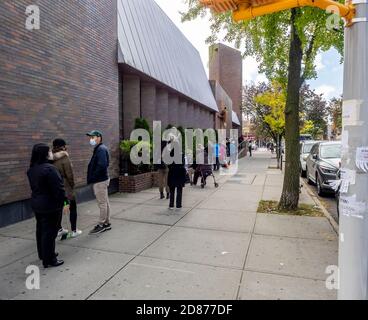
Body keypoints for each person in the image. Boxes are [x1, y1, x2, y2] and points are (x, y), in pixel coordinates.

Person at [27, 144, 65, 268]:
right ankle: (50, 259)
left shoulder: (32, 169)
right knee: (50, 232)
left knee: (41, 230)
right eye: (49, 151)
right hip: (50, 206)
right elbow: (58, 189)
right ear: (44, 154)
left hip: (37, 204)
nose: (51, 153)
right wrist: (63, 203)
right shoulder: (50, 169)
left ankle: (44, 254)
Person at [52, 139, 82, 238]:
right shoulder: (64, 157)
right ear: (63, 146)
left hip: (55, 188)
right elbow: (69, 174)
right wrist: (72, 185)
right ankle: (74, 230)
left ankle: (59, 229)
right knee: (72, 207)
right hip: (66, 187)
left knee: (59, 208)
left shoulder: (50, 158)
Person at [86, 130, 111, 235]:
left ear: (99, 137)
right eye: (90, 137)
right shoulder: (100, 148)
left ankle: (101, 225)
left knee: (102, 203)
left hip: (100, 180)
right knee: (105, 202)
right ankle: (106, 223)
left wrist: (94, 176)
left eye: (93, 137)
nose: (91, 139)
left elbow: (102, 165)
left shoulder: (100, 149)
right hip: (101, 179)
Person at [167, 141, 186, 210]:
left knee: (172, 190)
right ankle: (178, 206)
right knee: (179, 190)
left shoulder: (170, 154)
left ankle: (171, 205)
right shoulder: (182, 153)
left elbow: (168, 164)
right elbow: (183, 164)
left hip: (172, 173)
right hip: (180, 173)